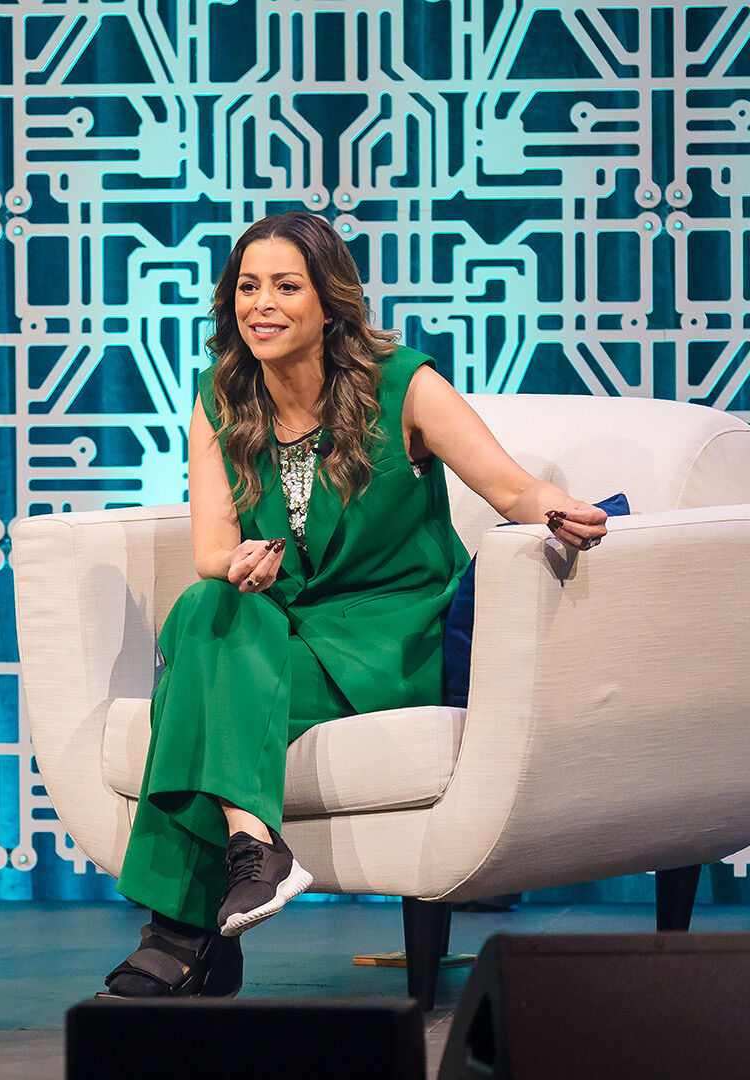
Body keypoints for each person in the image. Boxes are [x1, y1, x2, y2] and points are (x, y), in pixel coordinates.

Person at [99, 211, 608, 998]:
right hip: (284, 627)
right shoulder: (221, 395)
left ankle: (183, 934)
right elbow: (211, 545)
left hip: (389, 636)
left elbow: (507, 485)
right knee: (205, 608)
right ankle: (252, 852)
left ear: (330, 302)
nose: (261, 304)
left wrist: (554, 510)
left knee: (196, 698)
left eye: (285, 287)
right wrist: (235, 564)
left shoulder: (405, 384)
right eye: (247, 287)